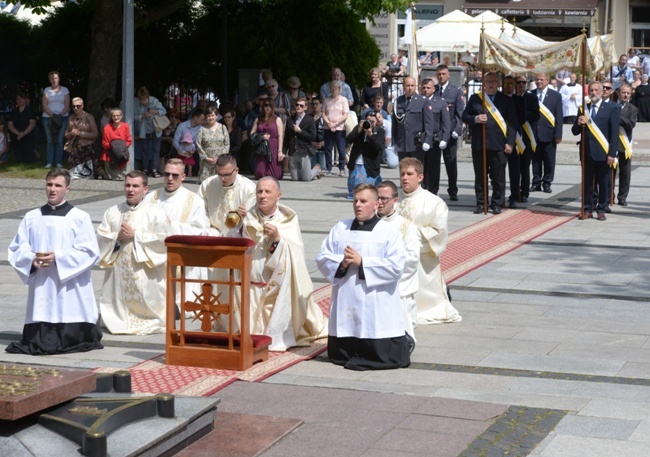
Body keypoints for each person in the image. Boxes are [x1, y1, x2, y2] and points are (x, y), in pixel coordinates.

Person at [6, 168, 103, 355]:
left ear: (67, 189)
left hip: (70, 284)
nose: (52, 189)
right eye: (49, 184)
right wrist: (31, 258)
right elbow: (18, 247)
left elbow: (89, 251)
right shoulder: (31, 217)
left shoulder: (80, 217)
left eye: (58, 185)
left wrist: (59, 258)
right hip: (43, 281)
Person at [316, 183, 410, 371]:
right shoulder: (340, 228)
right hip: (346, 294)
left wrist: (363, 262)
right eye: (355, 200)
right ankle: (345, 352)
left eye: (363, 201)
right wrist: (342, 263)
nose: (357, 205)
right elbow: (322, 256)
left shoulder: (388, 231)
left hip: (375, 297)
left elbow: (396, 266)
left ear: (376, 204)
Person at [239, 177, 327, 351]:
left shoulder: (287, 220)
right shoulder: (247, 216)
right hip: (251, 285)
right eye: (259, 191)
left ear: (278, 196)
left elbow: (295, 253)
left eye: (267, 192)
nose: (262, 196)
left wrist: (278, 240)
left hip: (277, 287)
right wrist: (239, 225)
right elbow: (235, 243)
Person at [97, 170, 171, 334]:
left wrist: (136, 236)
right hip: (118, 273)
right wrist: (117, 238)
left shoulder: (156, 213)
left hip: (144, 272)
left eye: (135, 186)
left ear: (145, 189)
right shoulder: (112, 212)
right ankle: (118, 317)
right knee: (118, 312)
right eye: (127, 185)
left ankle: (146, 316)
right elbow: (100, 240)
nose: (130, 190)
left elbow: (164, 241)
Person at [397, 158, 461, 324]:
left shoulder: (433, 202)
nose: (404, 177)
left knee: (426, 306)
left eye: (409, 174)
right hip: (396, 258)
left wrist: (410, 237)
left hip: (423, 260)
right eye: (402, 174)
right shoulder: (393, 199)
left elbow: (438, 232)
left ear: (420, 177)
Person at [461, 72, 517, 214]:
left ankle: (497, 203)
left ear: (498, 83)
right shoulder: (475, 99)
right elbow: (464, 116)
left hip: (499, 144)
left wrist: (510, 143)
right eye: (488, 81)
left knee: (498, 177)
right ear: (483, 84)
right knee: (480, 176)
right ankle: (481, 203)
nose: (491, 84)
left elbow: (512, 123)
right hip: (480, 144)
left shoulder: (506, 100)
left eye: (493, 81)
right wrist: (476, 118)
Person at [376, 181, 419, 343]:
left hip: (398, 286)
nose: (379, 202)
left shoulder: (406, 226)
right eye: (377, 198)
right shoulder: (368, 224)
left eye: (384, 199)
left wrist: (384, 267)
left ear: (395, 200)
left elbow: (413, 258)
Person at [572, 81, 619, 221]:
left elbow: (614, 134)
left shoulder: (611, 108)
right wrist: (579, 124)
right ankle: (587, 208)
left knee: (603, 182)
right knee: (587, 183)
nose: (593, 93)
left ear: (601, 91)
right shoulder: (583, 108)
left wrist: (612, 153)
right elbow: (574, 131)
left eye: (596, 90)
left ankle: (601, 208)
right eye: (591, 90)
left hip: (603, 152)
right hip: (586, 153)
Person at [199, 154, 256, 237]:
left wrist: (246, 215)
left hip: (235, 233)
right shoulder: (207, 185)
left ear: (236, 170)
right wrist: (205, 229)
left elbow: (252, 218)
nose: (222, 178)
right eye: (219, 174)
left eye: (226, 175)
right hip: (211, 231)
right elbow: (201, 211)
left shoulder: (248, 188)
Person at [436, 64, 465, 201]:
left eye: (443, 74)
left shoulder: (455, 91)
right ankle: (432, 189)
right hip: (435, 133)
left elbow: (460, 113)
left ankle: (452, 190)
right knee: (434, 164)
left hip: (450, 132)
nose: (441, 76)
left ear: (448, 75)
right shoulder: (434, 90)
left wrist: (457, 130)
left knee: (451, 163)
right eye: (439, 74)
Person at [532, 73, 563, 194]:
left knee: (549, 160)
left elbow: (559, 116)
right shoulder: (531, 94)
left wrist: (558, 134)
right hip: (534, 133)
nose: (539, 81)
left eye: (541, 79)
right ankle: (536, 182)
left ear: (547, 80)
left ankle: (547, 182)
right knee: (535, 160)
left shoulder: (556, 96)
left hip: (549, 133)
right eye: (537, 79)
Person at [392, 76, 434, 165]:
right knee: (404, 172)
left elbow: (429, 123)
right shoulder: (398, 101)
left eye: (412, 85)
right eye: (407, 85)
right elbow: (394, 124)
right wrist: (393, 142)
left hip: (416, 144)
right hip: (402, 144)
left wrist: (427, 140)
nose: (410, 88)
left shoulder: (423, 101)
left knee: (416, 171)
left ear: (416, 87)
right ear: (403, 87)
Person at [420, 77, 450, 195]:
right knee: (421, 168)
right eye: (424, 88)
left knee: (434, 168)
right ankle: (422, 190)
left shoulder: (440, 102)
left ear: (433, 89)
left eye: (428, 88)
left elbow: (446, 123)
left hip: (434, 141)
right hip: (420, 140)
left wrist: (445, 138)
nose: (426, 90)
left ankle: (433, 192)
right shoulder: (418, 101)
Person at [345, 112, 385, 199]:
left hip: (370, 164)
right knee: (355, 186)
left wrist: (370, 134)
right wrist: (357, 130)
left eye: (372, 121)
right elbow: (347, 140)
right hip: (356, 162)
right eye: (368, 121)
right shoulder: (360, 129)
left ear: (377, 122)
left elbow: (377, 147)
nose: (370, 123)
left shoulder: (380, 131)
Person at [501, 76, 526, 209]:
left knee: (514, 169)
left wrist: (510, 121)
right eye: (506, 83)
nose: (508, 86)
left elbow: (522, 118)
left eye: (511, 83)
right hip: (499, 137)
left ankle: (514, 197)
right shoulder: (498, 98)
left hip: (515, 137)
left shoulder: (519, 100)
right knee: (498, 170)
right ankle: (499, 197)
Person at [515, 76, 541, 204]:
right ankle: (514, 192)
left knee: (525, 166)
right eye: (518, 82)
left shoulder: (531, 98)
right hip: (513, 136)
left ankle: (524, 192)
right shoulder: (511, 97)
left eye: (523, 82)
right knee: (514, 167)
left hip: (527, 136)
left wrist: (523, 113)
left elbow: (536, 116)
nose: (521, 85)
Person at [285, 97, 321, 181]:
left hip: (304, 150)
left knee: (306, 178)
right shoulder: (290, 119)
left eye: (301, 105)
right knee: (295, 178)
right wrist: (283, 152)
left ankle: (316, 169)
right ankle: (304, 171)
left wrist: (300, 131)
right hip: (293, 150)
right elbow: (286, 136)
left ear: (305, 107)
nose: (298, 107)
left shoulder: (310, 120)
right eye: (297, 105)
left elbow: (312, 137)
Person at [133, 86, 166, 177]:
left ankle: (155, 169)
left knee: (156, 149)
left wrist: (155, 111)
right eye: (141, 100)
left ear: (148, 97)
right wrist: (142, 116)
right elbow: (134, 116)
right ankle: (145, 169)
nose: (143, 102)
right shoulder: (137, 104)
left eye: (145, 99)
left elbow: (164, 111)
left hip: (156, 129)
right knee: (145, 149)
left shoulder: (154, 101)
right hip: (144, 130)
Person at [613, 84, 638, 207]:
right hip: (612, 143)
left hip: (624, 143)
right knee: (610, 172)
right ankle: (608, 195)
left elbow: (631, 124)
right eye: (623, 92)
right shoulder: (611, 105)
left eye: (628, 93)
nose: (625, 95)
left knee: (625, 172)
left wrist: (618, 116)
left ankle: (622, 197)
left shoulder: (632, 109)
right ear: (618, 93)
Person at [64, 97, 98, 179]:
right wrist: (70, 134)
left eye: (78, 106)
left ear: (82, 106)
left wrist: (80, 133)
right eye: (73, 106)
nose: (75, 108)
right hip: (74, 147)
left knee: (88, 172)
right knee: (73, 173)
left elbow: (95, 134)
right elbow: (66, 134)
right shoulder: (71, 118)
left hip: (87, 147)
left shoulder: (89, 117)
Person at [42, 71, 70, 168]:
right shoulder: (46, 90)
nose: (54, 80)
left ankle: (58, 162)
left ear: (59, 79)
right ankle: (49, 162)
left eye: (55, 78)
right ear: (49, 80)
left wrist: (60, 116)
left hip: (62, 117)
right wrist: (53, 116)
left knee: (59, 139)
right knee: (49, 139)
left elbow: (67, 104)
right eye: (52, 78)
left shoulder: (65, 90)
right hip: (48, 117)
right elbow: (44, 105)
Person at [251, 98, 284, 179]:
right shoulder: (258, 119)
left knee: (275, 175)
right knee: (260, 173)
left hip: (273, 145)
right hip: (261, 146)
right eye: (266, 105)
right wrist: (262, 137)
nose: (268, 107)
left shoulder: (277, 119)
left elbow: (280, 135)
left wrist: (280, 151)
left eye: (270, 105)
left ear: (273, 107)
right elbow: (252, 134)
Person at [322, 81, 350, 176]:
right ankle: (328, 168)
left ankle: (342, 168)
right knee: (328, 148)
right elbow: (323, 113)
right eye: (332, 87)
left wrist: (335, 124)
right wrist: (329, 123)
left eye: (336, 87)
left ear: (339, 89)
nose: (334, 89)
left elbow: (345, 114)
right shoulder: (326, 100)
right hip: (328, 127)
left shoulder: (343, 100)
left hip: (340, 128)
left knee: (341, 149)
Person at [196, 105, 229, 183]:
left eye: (212, 115)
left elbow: (227, 144)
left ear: (216, 116)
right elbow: (198, 144)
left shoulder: (223, 127)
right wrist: (206, 158)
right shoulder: (202, 129)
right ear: (206, 117)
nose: (211, 118)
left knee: (220, 183)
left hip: (220, 162)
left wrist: (220, 158)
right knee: (206, 185)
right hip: (206, 163)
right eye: (208, 116)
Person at [100, 108, 132, 181]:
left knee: (124, 178)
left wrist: (120, 147)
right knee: (111, 178)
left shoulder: (125, 126)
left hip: (122, 154)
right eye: (114, 116)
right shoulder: (107, 128)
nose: (116, 117)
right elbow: (104, 143)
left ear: (121, 116)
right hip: (110, 154)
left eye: (118, 115)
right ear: (111, 117)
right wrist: (114, 146)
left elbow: (129, 141)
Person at [7, 90, 38, 163]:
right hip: (16, 136)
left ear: (25, 100)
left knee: (29, 160)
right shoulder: (13, 112)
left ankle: (36, 155)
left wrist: (23, 133)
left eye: (21, 98)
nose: (19, 100)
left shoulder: (30, 111)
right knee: (19, 160)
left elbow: (32, 124)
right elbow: (10, 125)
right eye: (18, 98)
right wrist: (18, 133)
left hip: (28, 136)